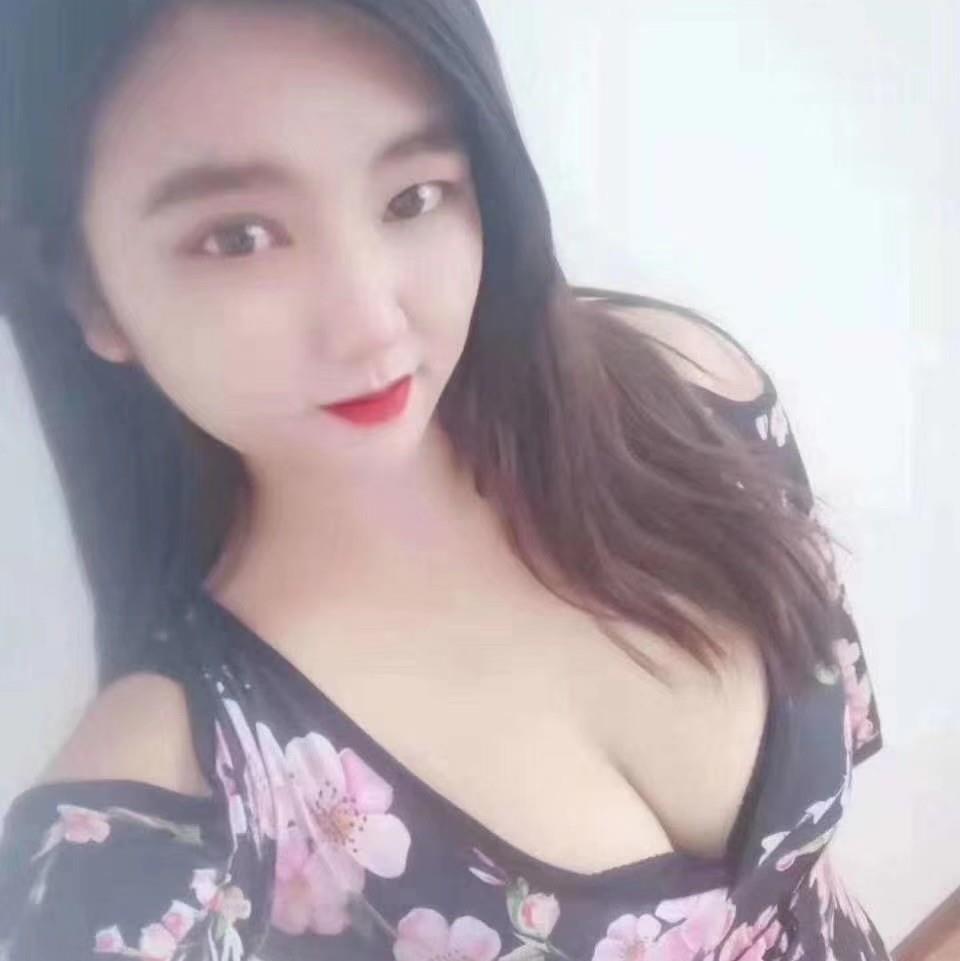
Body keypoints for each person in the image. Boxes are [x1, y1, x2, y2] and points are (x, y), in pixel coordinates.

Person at [0, 1, 886, 959]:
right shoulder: (155, 826)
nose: (372, 323)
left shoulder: (688, 392)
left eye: (412, 196)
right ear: (91, 293)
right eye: (239, 237)